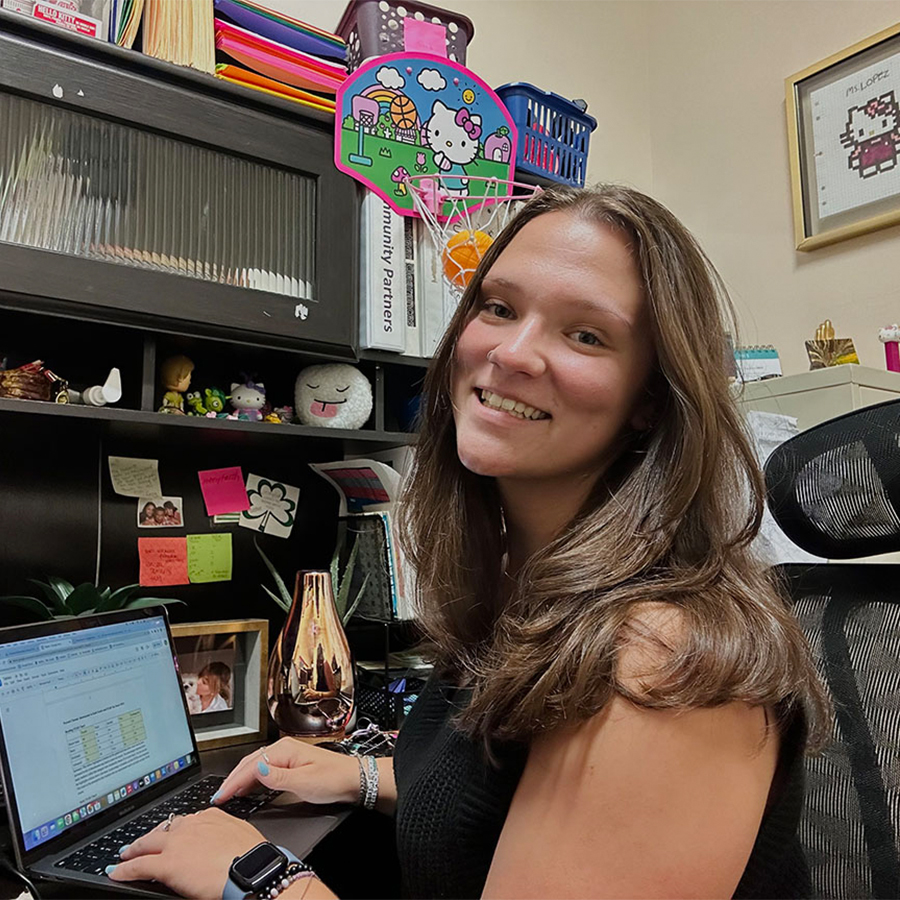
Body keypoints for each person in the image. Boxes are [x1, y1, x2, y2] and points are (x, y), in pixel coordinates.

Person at [107, 184, 831, 900]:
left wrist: (257, 877)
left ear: (650, 399)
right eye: (499, 307)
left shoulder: (663, 665)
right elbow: (501, 789)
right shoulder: (527, 583)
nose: (513, 353)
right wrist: (361, 776)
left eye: (585, 334)